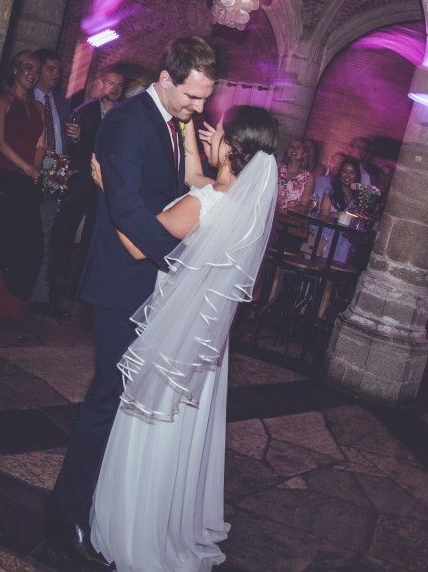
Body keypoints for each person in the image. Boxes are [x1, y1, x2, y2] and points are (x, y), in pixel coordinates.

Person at [46, 36, 218, 567]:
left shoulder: (172, 121)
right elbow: (126, 210)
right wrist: (179, 259)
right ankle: (66, 513)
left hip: (151, 279)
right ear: (166, 79)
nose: (199, 108)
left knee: (128, 399)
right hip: (124, 280)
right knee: (108, 396)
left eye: (205, 98)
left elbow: (175, 189)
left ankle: (106, 500)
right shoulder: (127, 122)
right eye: (192, 96)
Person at [89, 106, 279, 571]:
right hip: (203, 344)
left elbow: (138, 245)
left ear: (232, 148)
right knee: (183, 430)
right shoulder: (242, 206)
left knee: (152, 424)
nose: (212, 136)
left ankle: (136, 530)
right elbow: (197, 173)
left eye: (221, 134)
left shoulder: (203, 202)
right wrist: (189, 123)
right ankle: (171, 523)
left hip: (171, 337)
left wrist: (109, 186)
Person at [0, 50, 47, 298]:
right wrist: (28, 169)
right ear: (15, 69)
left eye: (37, 71)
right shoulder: (3, 100)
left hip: (24, 180)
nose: (33, 74)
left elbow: (40, 145)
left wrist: (33, 172)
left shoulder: (38, 107)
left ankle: (11, 299)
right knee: (3, 239)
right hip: (0, 176)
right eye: (28, 68)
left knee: (31, 244)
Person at [48, 65, 126, 290]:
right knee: (66, 226)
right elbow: (69, 145)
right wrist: (78, 137)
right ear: (102, 84)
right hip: (81, 178)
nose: (115, 88)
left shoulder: (125, 115)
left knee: (94, 232)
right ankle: (53, 278)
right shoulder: (84, 111)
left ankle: (81, 282)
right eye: (111, 83)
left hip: (107, 182)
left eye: (119, 85)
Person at [28, 47, 73, 320]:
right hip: (28, 171)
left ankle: (41, 296)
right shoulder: (26, 98)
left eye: (58, 70)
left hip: (55, 173)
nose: (56, 75)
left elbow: (65, 141)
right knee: (24, 234)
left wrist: (76, 136)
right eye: (51, 69)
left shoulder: (61, 103)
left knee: (47, 238)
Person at [316, 157, 362, 264]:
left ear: (356, 176)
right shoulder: (330, 193)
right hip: (326, 238)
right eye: (344, 171)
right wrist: (336, 215)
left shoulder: (358, 199)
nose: (347, 176)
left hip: (344, 242)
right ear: (340, 173)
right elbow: (322, 216)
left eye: (351, 172)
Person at [276, 139, 314, 212]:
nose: (294, 149)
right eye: (291, 146)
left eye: (299, 147)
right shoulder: (276, 169)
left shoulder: (308, 177)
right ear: (287, 151)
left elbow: (303, 206)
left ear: (304, 154)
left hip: (289, 216)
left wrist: (284, 211)